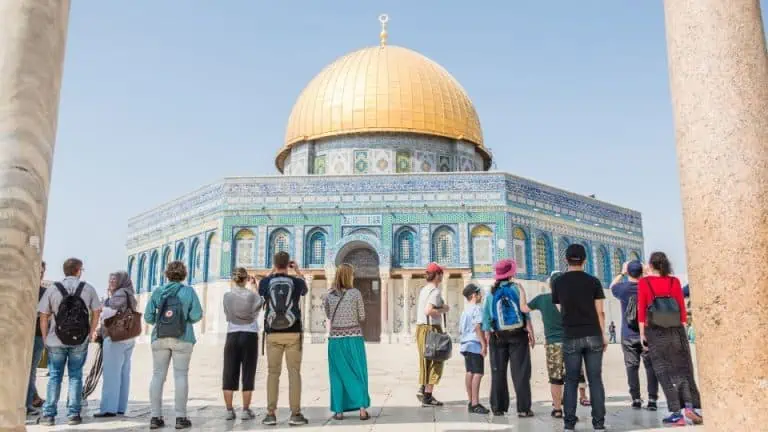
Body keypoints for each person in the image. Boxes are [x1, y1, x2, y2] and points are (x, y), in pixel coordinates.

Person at [638, 252, 702, 426]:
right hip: (676, 329)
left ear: (650, 265)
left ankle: (676, 413)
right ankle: (690, 407)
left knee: (663, 371)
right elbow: (681, 310)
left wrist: (642, 334)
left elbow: (642, 310)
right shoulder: (675, 282)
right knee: (683, 369)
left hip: (655, 331)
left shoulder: (645, 282)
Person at [38, 258, 102, 426]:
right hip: (79, 340)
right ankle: (73, 414)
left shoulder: (53, 289)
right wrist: (91, 331)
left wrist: (45, 337)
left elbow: (44, 315)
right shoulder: (88, 288)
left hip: (55, 340)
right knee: (75, 376)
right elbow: (97, 310)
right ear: (78, 270)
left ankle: (49, 415)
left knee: (54, 377)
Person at [551, 244, 607, 431]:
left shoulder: (558, 282)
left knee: (571, 380)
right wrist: (604, 335)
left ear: (566, 260)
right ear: (585, 261)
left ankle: (569, 424)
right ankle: (598, 424)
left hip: (571, 335)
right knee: (595, 380)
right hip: (593, 335)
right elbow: (600, 312)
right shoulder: (594, 282)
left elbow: (560, 309)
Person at [144, 261, 204, 430]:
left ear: (167, 274)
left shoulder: (158, 292)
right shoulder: (188, 291)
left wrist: (162, 320)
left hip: (160, 337)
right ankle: (180, 417)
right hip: (182, 338)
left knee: (157, 376)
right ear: (184, 274)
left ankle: (155, 417)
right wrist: (184, 320)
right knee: (180, 376)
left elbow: (148, 317)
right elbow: (197, 314)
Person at [527, 271, 589, 419]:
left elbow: (524, 308)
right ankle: (571, 409)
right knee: (573, 376)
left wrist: (521, 292)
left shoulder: (542, 299)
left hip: (553, 344)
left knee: (555, 378)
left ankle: (557, 409)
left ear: (549, 285)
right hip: (572, 342)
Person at [258, 252, 309, 426]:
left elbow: (260, 288)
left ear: (274, 263)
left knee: (273, 373)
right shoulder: (296, 282)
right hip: (293, 332)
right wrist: (298, 271)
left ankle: (271, 414)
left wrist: (272, 270)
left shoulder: (266, 282)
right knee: (294, 373)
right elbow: (305, 290)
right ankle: (295, 414)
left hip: (273, 333)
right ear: (289, 264)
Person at [483, 258, 535, 418]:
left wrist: (486, 339)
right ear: (510, 274)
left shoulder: (491, 292)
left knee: (498, 372)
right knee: (521, 372)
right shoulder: (517, 289)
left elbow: (486, 318)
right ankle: (523, 409)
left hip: (497, 336)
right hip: (518, 335)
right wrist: (531, 332)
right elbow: (525, 313)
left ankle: (498, 407)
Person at [323, 263, 371, 420]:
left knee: (337, 375)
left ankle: (338, 411)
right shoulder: (355, 293)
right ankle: (362, 410)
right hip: (353, 339)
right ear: (349, 276)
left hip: (335, 340)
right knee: (358, 372)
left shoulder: (328, 295)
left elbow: (329, 315)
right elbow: (362, 316)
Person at [610, 260, 659, 410]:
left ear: (628, 272)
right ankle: (652, 400)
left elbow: (611, 286)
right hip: (648, 334)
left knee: (632, 367)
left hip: (628, 334)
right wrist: (647, 272)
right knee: (651, 368)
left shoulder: (622, 289)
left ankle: (636, 398)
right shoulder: (650, 287)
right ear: (641, 272)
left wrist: (621, 273)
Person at [95, 271, 138, 417]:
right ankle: (120, 407)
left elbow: (109, 312)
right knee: (123, 374)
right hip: (128, 337)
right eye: (110, 279)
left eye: (114, 279)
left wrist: (102, 306)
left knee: (112, 374)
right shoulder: (130, 293)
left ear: (121, 281)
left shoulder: (120, 294)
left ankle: (108, 408)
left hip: (116, 338)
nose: (112, 281)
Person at [222, 267, 263, 421]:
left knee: (229, 372)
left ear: (233, 279)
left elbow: (227, 315)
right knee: (248, 372)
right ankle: (245, 410)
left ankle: (229, 410)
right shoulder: (252, 296)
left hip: (232, 335)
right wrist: (255, 288)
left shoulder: (227, 296)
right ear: (246, 279)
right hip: (250, 335)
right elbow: (259, 307)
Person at [415, 262, 450, 407]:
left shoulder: (424, 289)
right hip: (432, 328)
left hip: (421, 328)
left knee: (426, 360)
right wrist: (444, 309)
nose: (442, 276)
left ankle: (423, 389)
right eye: (440, 274)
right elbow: (428, 310)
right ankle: (428, 396)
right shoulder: (435, 291)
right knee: (437, 360)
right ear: (437, 275)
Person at [458, 283, 489, 414]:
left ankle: (471, 401)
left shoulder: (465, 310)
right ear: (473, 295)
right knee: (478, 373)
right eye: (478, 293)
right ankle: (475, 403)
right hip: (475, 344)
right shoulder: (477, 309)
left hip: (465, 344)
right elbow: (477, 327)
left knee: (470, 372)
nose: (481, 295)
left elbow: (460, 330)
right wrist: (483, 344)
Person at [26, 261, 47, 415]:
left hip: (37, 336)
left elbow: (50, 314)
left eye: (42, 271)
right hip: (20, 336)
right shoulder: (24, 289)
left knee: (30, 370)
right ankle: (32, 399)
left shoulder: (44, 292)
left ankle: (29, 403)